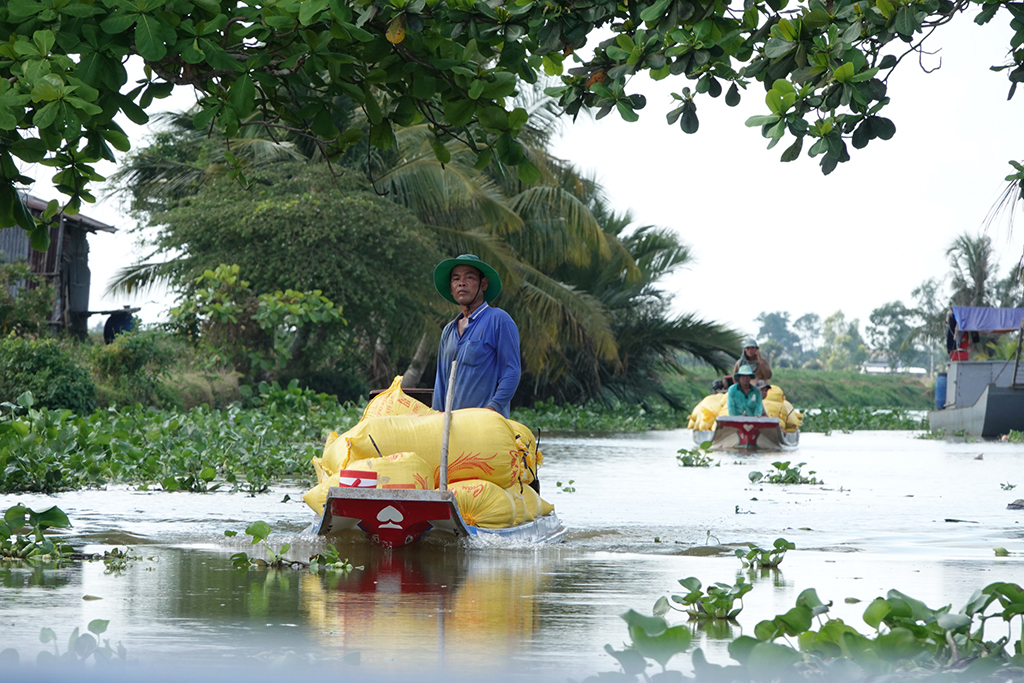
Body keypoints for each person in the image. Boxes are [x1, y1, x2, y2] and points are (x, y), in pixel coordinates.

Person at [432, 254, 521, 418]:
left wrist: (492, 409)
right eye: (456, 279)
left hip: (485, 426)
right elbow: (441, 382)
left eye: (470, 277)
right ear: (451, 289)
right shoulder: (448, 331)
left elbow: (511, 372)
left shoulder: (499, 320)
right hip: (450, 426)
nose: (462, 283)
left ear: (484, 284)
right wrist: (436, 416)